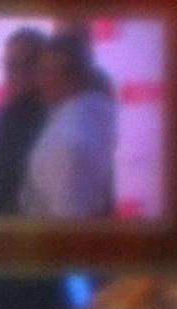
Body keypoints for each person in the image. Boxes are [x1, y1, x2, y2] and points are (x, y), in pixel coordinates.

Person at [20, 30, 116, 219]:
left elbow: (68, 223)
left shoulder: (69, 142)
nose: (39, 80)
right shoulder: (96, 109)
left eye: (46, 72)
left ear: (70, 77)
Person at [0, 27, 49, 216]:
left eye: (27, 63)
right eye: (9, 65)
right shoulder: (4, 116)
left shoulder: (59, 119)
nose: (16, 72)